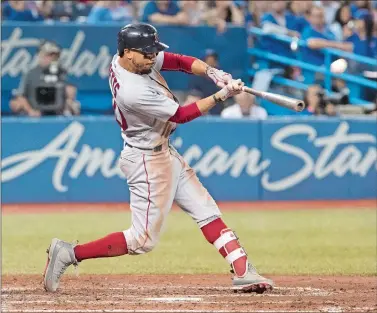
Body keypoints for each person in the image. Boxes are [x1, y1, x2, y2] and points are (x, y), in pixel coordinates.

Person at [43, 23, 274, 295]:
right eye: (146, 54)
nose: (153, 58)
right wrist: (223, 94)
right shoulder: (132, 90)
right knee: (141, 241)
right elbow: (181, 115)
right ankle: (69, 253)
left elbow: (177, 61)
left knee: (206, 209)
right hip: (146, 161)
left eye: (153, 52)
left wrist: (213, 73)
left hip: (162, 150)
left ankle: (243, 269)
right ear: (128, 53)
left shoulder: (129, 60)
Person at [10, 40, 80, 117]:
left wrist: (69, 100)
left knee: (74, 105)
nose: (51, 58)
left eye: (54, 56)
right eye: (48, 55)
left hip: (58, 112)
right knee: (15, 103)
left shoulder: (62, 72)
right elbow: (21, 96)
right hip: (36, 112)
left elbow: (70, 91)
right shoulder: (30, 74)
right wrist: (31, 111)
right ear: (40, 56)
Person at [184, 49, 226, 115]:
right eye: (208, 61)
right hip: (201, 113)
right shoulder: (196, 79)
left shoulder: (223, 78)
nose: (211, 64)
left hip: (219, 114)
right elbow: (193, 97)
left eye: (213, 61)